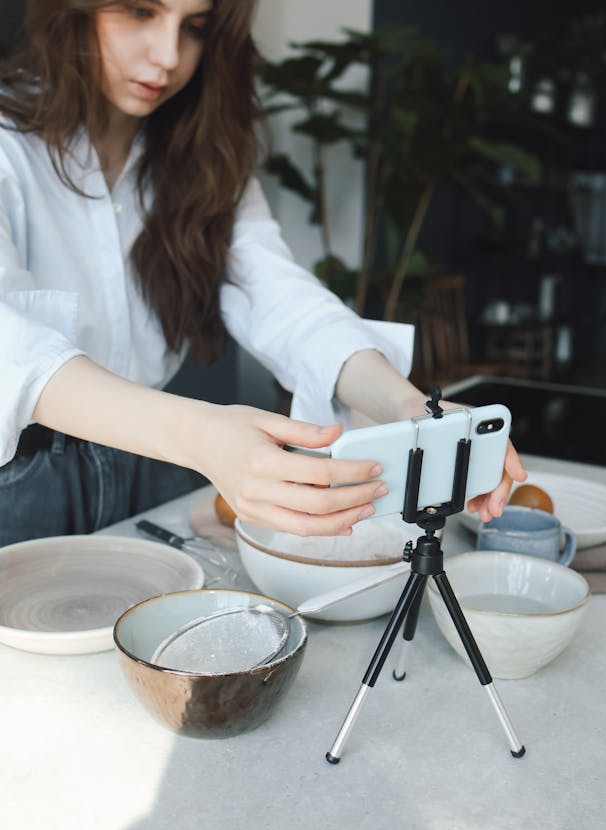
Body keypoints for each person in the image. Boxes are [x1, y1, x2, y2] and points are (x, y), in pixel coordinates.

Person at [0, 0, 526, 548]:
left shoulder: (198, 154)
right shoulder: (8, 144)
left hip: (155, 466)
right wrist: (202, 436)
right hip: (20, 480)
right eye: (139, 12)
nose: (168, 56)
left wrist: (409, 407)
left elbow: (278, 295)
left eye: (195, 27)